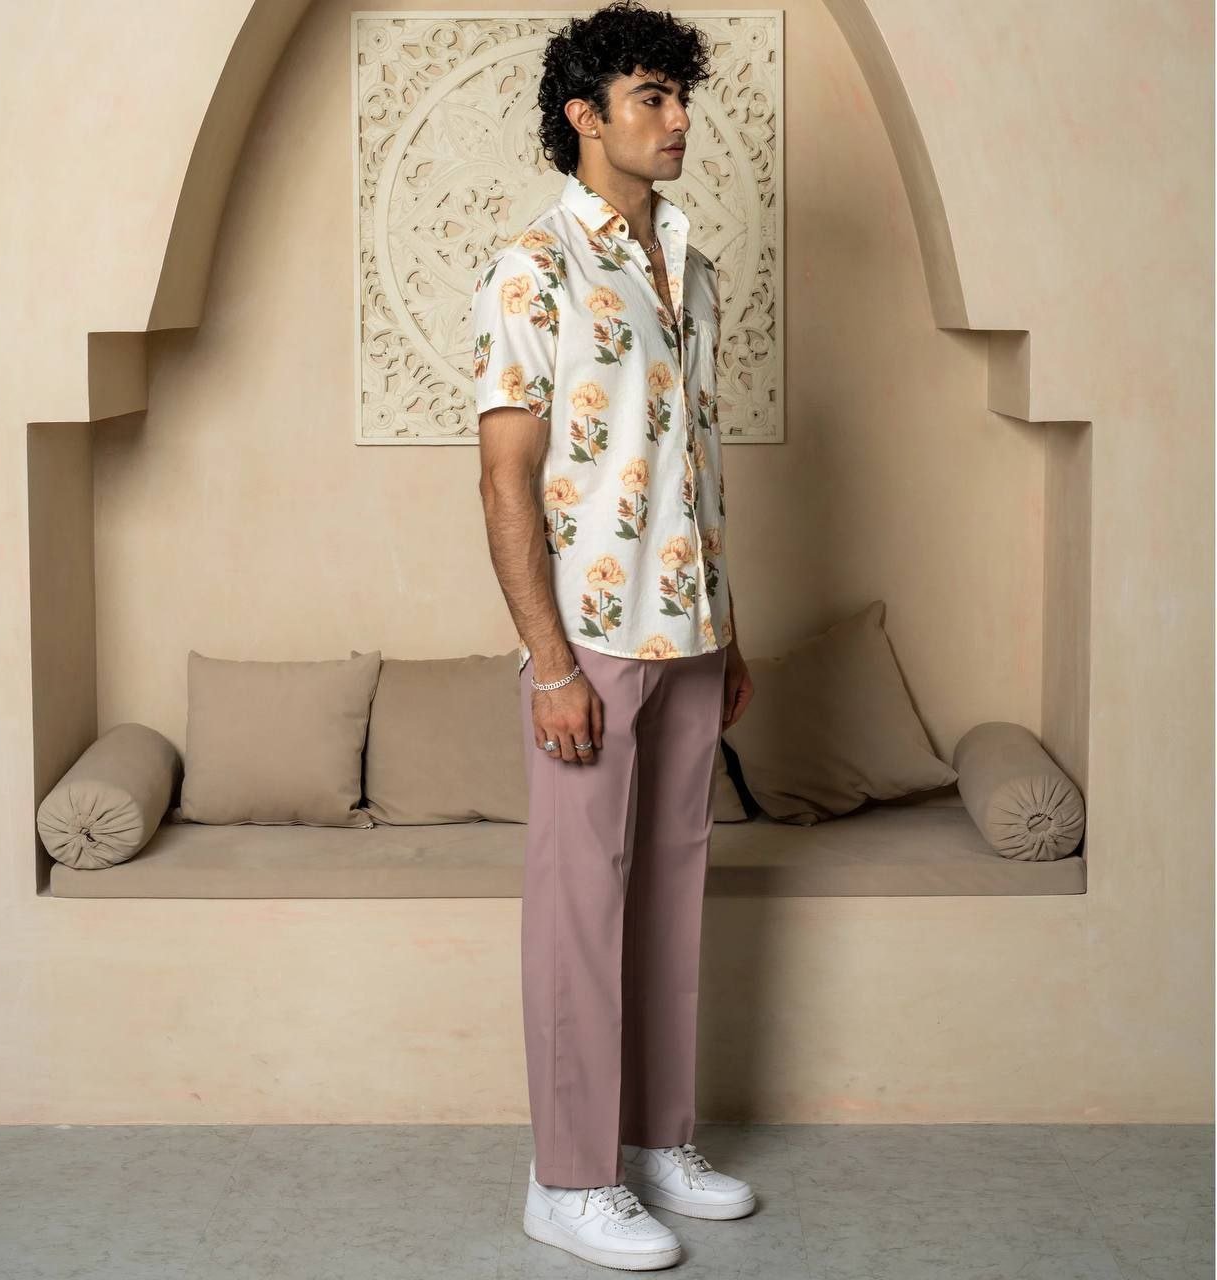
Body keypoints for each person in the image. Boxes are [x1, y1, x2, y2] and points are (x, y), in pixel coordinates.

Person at [470, 1, 755, 1269]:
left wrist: (729, 627)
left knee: (672, 890)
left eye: (680, 95)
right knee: (577, 905)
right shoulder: (534, 265)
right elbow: (504, 477)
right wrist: (548, 662)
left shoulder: (690, 265)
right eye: (652, 96)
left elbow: (694, 459)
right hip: (586, 638)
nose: (678, 117)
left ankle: (653, 1139)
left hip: (689, 628)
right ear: (584, 116)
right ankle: (567, 1177)